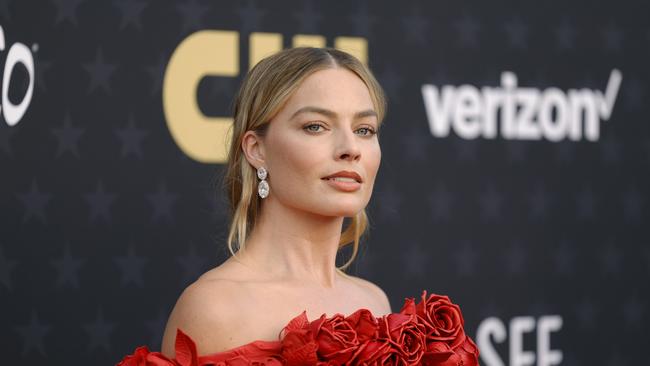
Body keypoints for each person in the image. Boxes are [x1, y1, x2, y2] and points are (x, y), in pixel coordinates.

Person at [117, 47, 479, 366]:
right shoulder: (215, 308)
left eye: (364, 129)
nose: (350, 147)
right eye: (316, 126)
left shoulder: (374, 301)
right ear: (256, 149)